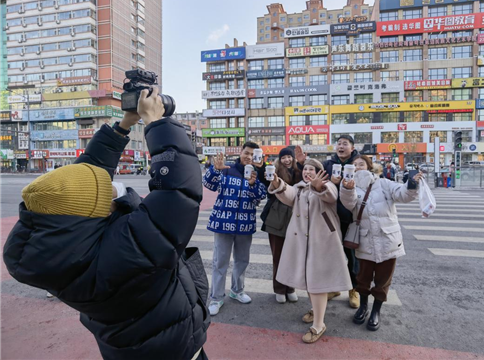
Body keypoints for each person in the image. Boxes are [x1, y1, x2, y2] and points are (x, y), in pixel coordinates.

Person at [3, 87, 210, 359]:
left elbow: (81, 178)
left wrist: (123, 126)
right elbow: (178, 192)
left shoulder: (56, 246)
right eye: (107, 190)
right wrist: (156, 124)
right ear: (96, 212)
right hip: (173, 349)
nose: (112, 186)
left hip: (122, 349)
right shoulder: (127, 251)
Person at [268, 159, 352, 343]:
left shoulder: (328, 186)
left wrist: (318, 186)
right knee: (309, 279)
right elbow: (287, 193)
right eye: (305, 169)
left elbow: (330, 196)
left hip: (322, 242)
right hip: (302, 242)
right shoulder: (299, 188)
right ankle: (316, 310)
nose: (307, 172)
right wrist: (277, 183)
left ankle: (319, 324)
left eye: (311, 169)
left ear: (320, 173)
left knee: (317, 281)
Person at [340, 158, 421, 331]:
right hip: (364, 241)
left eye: (361, 164)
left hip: (388, 240)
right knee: (362, 278)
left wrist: (411, 184)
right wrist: (347, 188)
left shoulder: (384, 183)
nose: (357, 167)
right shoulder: (348, 185)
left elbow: (403, 195)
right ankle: (363, 307)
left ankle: (376, 311)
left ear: (369, 166)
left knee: (383, 280)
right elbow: (349, 204)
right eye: (353, 165)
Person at [203, 143, 267, 316]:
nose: (249, 157)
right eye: (246, 153)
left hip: (245, 223)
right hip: (223, 222)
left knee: (242, 260)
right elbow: (208, 184)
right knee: (220, 261)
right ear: (241, 152)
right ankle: (216, 297)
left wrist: (253, 183)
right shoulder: (227, 168)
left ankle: (237, 291)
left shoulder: (258, 172)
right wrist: (215, 170)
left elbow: (261, 195)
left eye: (253, 155)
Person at [296, 135, 360, 308]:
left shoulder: (358, 163)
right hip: (329, 218)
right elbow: (313, 174)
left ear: (352, 148)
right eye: (338, 143)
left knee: (352, 256)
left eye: (344, 144)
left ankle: (354, 289)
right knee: (330, 255)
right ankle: (333, 288)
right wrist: (303, 164)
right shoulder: (328, 164)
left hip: (350, 217)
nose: (341, 146)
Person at [259, 146, 302, 304]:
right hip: (276, 217)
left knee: (293, 256)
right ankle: (279, 289)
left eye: (289, 157)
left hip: (295, 218)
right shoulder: (273, 171)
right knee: (278, 256)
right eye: (283, 157)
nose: (287, 160)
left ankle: (290, 288)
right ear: (280, 159)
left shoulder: (299, 171)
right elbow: (265, 185)